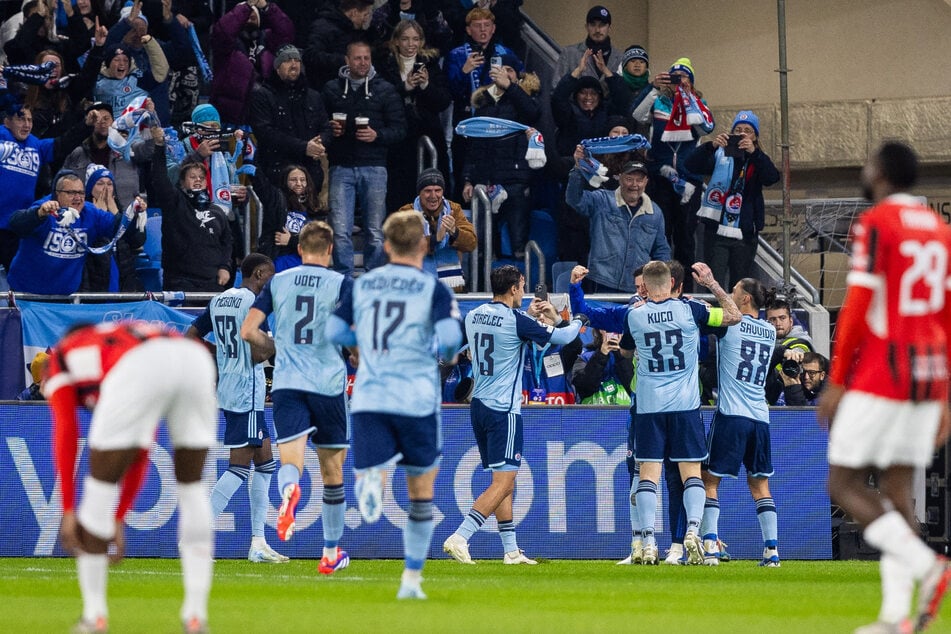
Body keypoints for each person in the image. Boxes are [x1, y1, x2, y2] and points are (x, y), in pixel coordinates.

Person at [819, 141, 951, 633]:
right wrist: (946, 394)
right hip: (929, 371)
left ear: (880, 172)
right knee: (897, 491)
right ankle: (897, 618)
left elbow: (856, 305)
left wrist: (837, 379)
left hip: (884, 370)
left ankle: (927, 567)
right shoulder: (940, 230)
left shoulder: (876, 223)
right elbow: (945, 314)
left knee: (844, 482)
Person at [327, 209, 463, 599]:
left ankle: (371, 476)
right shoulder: (432, 288)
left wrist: (358, 347)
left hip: (370, 395)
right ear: (423, 244)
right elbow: (451, 338)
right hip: (417, 397)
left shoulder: (363, 284)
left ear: (385, 245)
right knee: (421, 490)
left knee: (372, 462)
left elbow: (334, 330)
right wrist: (446, 354)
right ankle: (411, 580)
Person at [47, 320, 216, 633]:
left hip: (140, 364)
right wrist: (120, 517)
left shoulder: (62, 354)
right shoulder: (111, 339)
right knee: (193, 488)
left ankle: (94, 616)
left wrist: (68, 509)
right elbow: (142, 447)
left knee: (98, 489)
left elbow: (66, 431)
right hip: (194, 357)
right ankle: (196, 616)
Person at [442, 264, 583, 565]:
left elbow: (460, 348)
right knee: (504, 482)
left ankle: (511, 550)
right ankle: (461, 536)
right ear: (514, 288)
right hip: (503, 409)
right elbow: (565, 338)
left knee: (502, 478)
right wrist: (579, 318)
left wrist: (528, 319)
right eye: (522, 285)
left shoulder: (475, 314)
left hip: (479, 404)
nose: (524, 291)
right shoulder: (516, 320)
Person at [240, 220, 352, 575]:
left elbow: (248, 331)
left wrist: (276, 348)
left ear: (300, 250)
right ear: (330, 250)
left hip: (288, 382)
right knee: (332, 471)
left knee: (292, 462)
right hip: (329, 384)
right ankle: (330, 553)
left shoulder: (278, 281)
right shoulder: (342, 284)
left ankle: (289, 491)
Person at [619, 260, 741, 565]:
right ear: (673, 283)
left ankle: (648, 541)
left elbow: (625, 350)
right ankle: (692, 531)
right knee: (690, 473)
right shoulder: (691, 310)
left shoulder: (634, 316)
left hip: (648, 406)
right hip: (685, 406)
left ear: (644, 287)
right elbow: (734, 315)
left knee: (648, 473)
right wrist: (712, 283)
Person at [187, 253, 288, 565]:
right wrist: (282, 346)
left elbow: (191, 336)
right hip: (248, 389)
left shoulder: (220, 301)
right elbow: (259, 355)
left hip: (230, 387)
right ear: (258, 274)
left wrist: (221, 355)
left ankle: (258, 542)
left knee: (266, 461)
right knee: (239, 466)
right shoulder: (255, 305)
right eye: (269, 278)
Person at [699, 277, 780, 567]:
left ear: (745, 299)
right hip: (760, 417)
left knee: (709, 480)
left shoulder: (731, 325)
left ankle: (710, 545)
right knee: (760, 485)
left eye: (734, 292)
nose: (730, 296)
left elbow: (724, 316)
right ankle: (771, 551)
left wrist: (710, 285)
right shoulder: (770, 331)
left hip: (732, 414)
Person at [321, 39, 406, 275]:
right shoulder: (331, 89)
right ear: (347, 61)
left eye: (366, 58)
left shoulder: (385, 89)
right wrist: (330, 130)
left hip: (375, 166)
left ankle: (374, 278)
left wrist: (377, 135)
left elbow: (400, 129)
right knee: (339, 229)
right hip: (341, 166)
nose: (362, 63)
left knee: (375, 230)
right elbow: (318, 125)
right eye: (357, 58)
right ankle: (343, 280)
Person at [633, 57, 714, 279]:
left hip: (689, 180)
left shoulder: (699, 105)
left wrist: (687, 99)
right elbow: (637, 114)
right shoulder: (658, 102)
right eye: (675, 77)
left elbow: (706, 127)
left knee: (685, 238)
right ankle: (660, 285)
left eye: (684, 77)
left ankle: (683, 290)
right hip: (661, 177)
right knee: (661, 234)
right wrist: (652, 88)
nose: (679, 82)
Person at [685, 110, 780, 289]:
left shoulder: (757, 159)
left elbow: (772, 177)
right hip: (716, 231)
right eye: (738, 130)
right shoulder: (719, 154)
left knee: (741, 285)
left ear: (755, 136)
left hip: (744, 233)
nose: (742, 134)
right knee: (714, 284)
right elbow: (690, 165)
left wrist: (754, 153)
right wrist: (711, 146)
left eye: (747, 130)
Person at [6, 169, 138, 295]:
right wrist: (38, 214)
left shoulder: (90, 213)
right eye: (71, 193)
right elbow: (15, 223)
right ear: (57, 193)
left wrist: (134, 213)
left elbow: (121, 231)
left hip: (66, 297)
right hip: (27, 294)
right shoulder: (44, 208)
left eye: (81, 193)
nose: (78, 198)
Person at [461, 56, 540, 259]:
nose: (505, 73)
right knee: (484, 250)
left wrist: (511, 87)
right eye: (501, 69)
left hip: (516, 182)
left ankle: (522, 288)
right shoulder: (482, 104)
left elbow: (533, 114)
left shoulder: (526, 99)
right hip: (486, 182)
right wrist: (468, 179)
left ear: (517, 75)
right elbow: (473, 147)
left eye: (510, 70)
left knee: (519, 247)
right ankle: (481, 287)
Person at [376, 18, 451, 215]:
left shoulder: (431, 65)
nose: (411, 44)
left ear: (422, 41)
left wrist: (426, 86)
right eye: (406, 39)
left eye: (415, 39)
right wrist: (405, 87)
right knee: (400, 190)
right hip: (398, 140)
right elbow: (380, 99)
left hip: (428, 135)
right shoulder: (385, 65)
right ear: (396, 41)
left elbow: (443, 101)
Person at [565, 153, 670, 293]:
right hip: (601, 282)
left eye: (639, 180)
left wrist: (661, 283)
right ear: (620, 179)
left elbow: (661, 250)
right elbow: (574, 199)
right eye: (629, 179)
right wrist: (578, 169)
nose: (634, 185)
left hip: (638, 287)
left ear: (646, 182)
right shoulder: (602, 199)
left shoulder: (655, 212)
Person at [149, 125, 233, 292]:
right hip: (181, 282)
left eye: (201, 177)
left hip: (213, 282)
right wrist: (159, 147)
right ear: (181, 182)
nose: (197, 180)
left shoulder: (217, 211)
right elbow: (159, 179)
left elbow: (227, 243)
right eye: (192, 177)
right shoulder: (175, 203)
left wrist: (225, 267)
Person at [248, 44, 332, 194]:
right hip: (275, 170)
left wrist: (320, 144)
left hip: (310, 170)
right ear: (277, 67)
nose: (293, 64)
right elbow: (265, 132)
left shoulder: (314, 96)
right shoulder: (263, 95)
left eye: (296, 60)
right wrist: (304, 147)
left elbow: (326, 127)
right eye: (287, 60)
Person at [209, 0, 293, 127]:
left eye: (253, 14)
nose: (250, 16)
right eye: (246, 14)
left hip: (263, 113)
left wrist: (267, 7)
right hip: (231, 116)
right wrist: (247, 6)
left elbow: (286, 32)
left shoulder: (268, 40)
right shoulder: (225, 44)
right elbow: (223, 30)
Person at [397, 167, 476, 291]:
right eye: (428, 191)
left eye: (438, 190)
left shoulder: (454, 209)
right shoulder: (407, 212)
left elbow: (471, 243)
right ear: (419, 192)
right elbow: (403, 246)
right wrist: (435, 239)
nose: (433, 196)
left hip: (450, 289)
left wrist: (455, 232)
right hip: (415, 287)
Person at [78, 164, 147, 292]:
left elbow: (138, 241)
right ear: (89, 188)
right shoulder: (82, 213)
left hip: (124, 280)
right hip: (93, 280)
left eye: (109, 184)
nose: (106, 189)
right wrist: (99, 216)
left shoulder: (123, 212)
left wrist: (116, 213)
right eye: (100, 183)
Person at [254, 163, 327, 272]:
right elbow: (263, 188)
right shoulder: (277, 202)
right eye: (293, 180)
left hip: (306, 264)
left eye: (302, 180)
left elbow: (318, 242)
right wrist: (254, 171)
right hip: (280, 261)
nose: (298, 183)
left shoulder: (315, 209)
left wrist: (291, 240)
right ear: (285, 182)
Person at [303, 0, 373, 89]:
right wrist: (344, 61)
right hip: (325, 87)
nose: (366, 19)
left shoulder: (354, 30)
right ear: (354, 12)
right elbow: (310, 55)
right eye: (365, 15)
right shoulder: (323, 27)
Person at [764, 297, 814, 405]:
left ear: (791, 321)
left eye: (782, 318)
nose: (777, 323)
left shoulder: (801, 340)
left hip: (796, 399)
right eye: (772, 319)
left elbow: (799, 350)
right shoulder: (762, 341)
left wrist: (793, 355)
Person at [552, 5, 614, 88]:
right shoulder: (569, 53)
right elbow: (556, 89)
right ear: (586, 27)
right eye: (593, 24)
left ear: (609, 28)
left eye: (602, 25)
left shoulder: (620, 58)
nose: (597, 30)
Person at [572, 328, 634, 405]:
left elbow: (634, 387)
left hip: (626, 413)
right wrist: (601, 355)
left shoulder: (631, 357)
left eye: (617, 329)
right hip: (592, 414)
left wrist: (621, 355)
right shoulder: (585, 358)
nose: (613, 333)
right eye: (608, 329)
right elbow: (584, 388)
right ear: (600, 330)